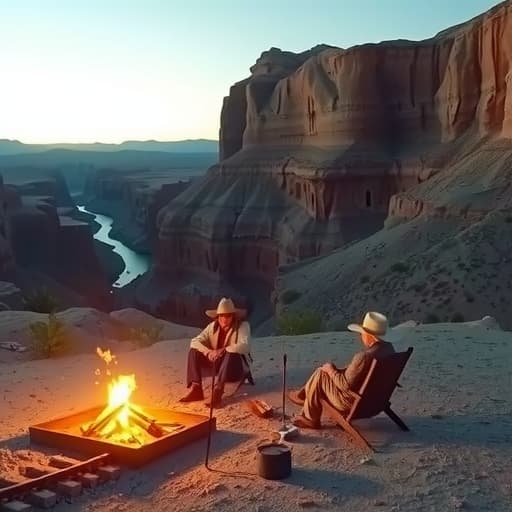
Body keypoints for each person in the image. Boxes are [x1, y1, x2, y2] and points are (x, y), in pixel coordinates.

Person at [288, 311, 396, 429]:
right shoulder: (389, 350)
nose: (361, 336)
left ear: (369, 336)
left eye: (362, 333)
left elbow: (344, 385)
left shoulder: (364, 357)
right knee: (326, 371)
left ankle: (310, 417)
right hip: (376, 401)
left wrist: (330, 370)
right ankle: (303, 395)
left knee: (321, 373)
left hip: (352, 403)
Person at [179, 297, 251, 408]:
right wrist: (208, 352)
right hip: (218, 367)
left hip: (235, 369)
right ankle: (196, 389)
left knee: (231, 352)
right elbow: (195, 341)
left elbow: (244, 346)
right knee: (194, 351)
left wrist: (224, 349)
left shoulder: (243, 326)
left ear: (233, 316)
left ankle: (218, 391)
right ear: (218, 316)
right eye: (222, 315)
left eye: (228, 315)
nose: (224, 319)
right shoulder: (212, 327)